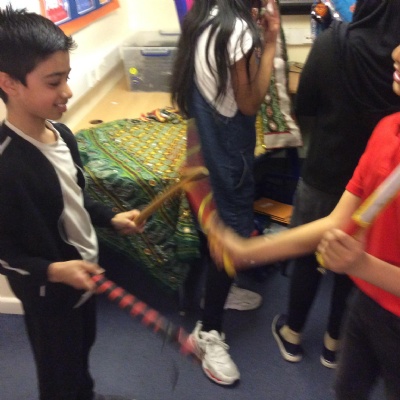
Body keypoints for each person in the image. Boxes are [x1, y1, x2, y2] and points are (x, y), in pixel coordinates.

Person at [208, 40, 400, 400]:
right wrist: (250, 250)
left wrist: (360, 265)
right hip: (366, 306)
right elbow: (337, 221)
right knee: (347, 389)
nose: (395, 53)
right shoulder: (388, 130)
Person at [0, 7, 144, 400]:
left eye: (66, 76)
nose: (67, 91)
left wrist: (111, 218)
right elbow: (5, 253)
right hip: (49, 295)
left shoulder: (63, 135)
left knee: (81, 353)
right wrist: (53, 271)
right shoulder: (6, 165)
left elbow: (74, 198)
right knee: (58, 374)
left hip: (85, 276)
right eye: (54, 82)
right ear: (9, 83)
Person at [272, 0, 400, 370]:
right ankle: (334, 342)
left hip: (326, 171)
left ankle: (293, 334)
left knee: (308, 255)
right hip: (378, 184)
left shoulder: (333, 42)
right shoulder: (394, 57)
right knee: (353, 256)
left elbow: (306, 105)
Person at [170, 0, 280, 385]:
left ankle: (219, 292)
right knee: (231, 231)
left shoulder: (205, 16)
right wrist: (269, 44)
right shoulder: (236, 30)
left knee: (214, 221)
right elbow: (248, 104)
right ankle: (208, 332)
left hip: (205, 141)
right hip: (229, 150)